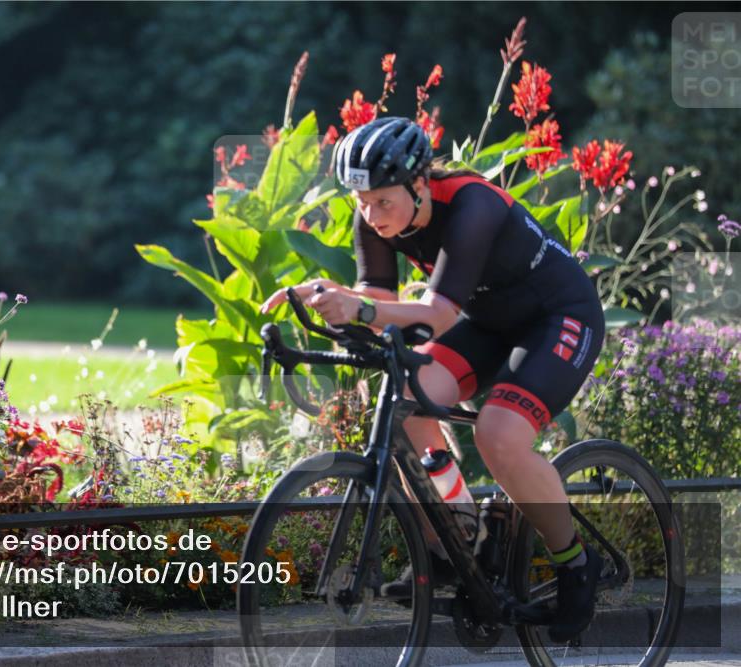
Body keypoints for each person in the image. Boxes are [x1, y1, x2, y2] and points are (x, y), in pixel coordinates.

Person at [259, 117, 604, 643]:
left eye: (383, 202)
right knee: (407, 403)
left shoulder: (471, 204)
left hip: (557, 316)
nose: (371, 216)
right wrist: (333, 297)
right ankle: (458, 535)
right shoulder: (374, 213)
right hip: (488, 322)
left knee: (498, 434)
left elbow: (436, 315)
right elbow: (381, 299)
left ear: (419, 185)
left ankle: (577, 564)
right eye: (362, 202)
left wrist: (361, 307)